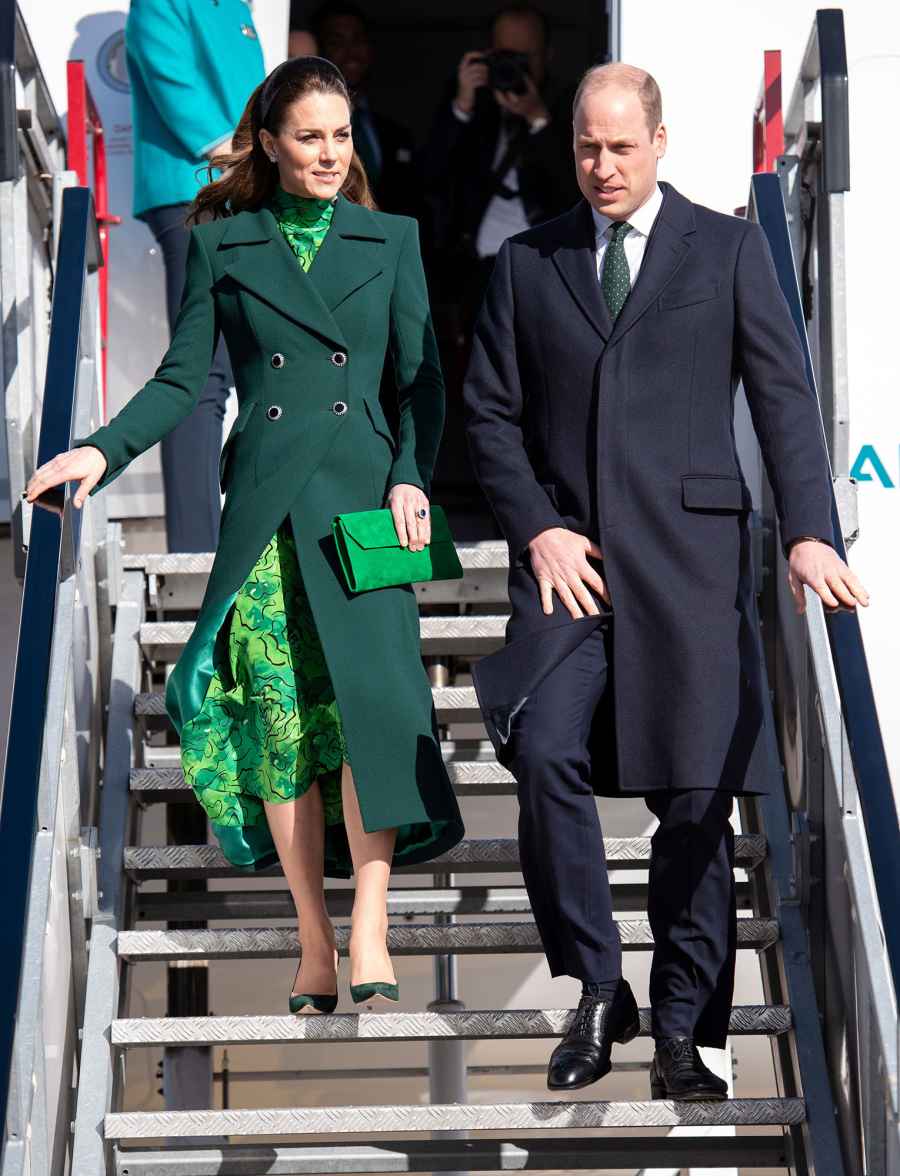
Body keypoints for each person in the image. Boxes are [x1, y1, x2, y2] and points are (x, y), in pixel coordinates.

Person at [464, 63, 869, 1098]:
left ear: (660, 141)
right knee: (545, 747)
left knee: (694, 802)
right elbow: (490, 421)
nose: (602, 166)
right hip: (571, 575)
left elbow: (782, 399)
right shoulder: (526, 261)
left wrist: (810, 533)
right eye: (587, 149)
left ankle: (685, 1032)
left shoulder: (728, 250)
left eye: (621, 147)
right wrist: (540, 530)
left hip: (689, 565)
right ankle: (598, 987)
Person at [27, 57, 464, 1013]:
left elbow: (419, 382)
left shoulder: (392, 239)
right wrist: (99, 453)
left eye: (341, 135)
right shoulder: (226, 246)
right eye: (308, 136)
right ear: (269, 144)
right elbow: (187, 380)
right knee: (280, 721)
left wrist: (408, 475)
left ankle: (373, 925)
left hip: (365, 508)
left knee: (374, 717)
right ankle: (313, 935)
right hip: (264, 510)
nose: (328, 153)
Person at [424, 3, 579, 530]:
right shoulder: (474, 113)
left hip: (549, 268)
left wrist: (538, 120)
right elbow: (430, 183)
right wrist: (464, 105)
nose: (512, 68)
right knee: (481, 389)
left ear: (548, 56)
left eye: (523, 56)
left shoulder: (569, 114)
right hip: (477, 276)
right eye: (502, 56)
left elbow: (577, 192)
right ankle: (474, 497)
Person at [125, 0, 265, 553]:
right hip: (198, 193)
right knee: (200, 378)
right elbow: (171, 79)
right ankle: (195, 552)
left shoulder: (235, 6)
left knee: (230, 375)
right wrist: (241, 157)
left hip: (247, 195)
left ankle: (224, 544)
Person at [310, 0, 419, 218]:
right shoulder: (306, 130)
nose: (351, 52)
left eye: (358, 40)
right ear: (320, 51)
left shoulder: (394, 132)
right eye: (336, 42)